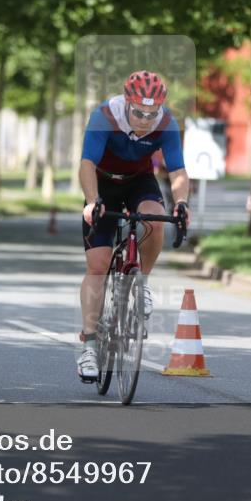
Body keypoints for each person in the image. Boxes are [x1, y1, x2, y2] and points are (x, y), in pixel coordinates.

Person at [76, 70, 191, 382]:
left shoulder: (166, 124)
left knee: (155, 218)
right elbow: (86, 164)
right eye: (139, 112)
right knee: (98, 265)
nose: (144, 119)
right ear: (127, 102)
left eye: (151, 113)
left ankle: (142, 283)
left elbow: (178, 170)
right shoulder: (104, 116)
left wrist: (181, 204)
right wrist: (91, 201)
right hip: (102, 184)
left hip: (139, 181)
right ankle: (89, 344)